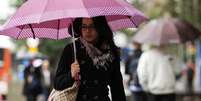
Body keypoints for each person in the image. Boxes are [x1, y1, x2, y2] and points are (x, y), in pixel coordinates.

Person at [54, 16, 126, 101]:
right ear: (79, 28)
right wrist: (71, 75)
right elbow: (57, 83)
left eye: (92, 26)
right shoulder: (71, 50)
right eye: (84, 26)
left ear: (100, 27)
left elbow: (117, 88)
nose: (88, 31)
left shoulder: (110, 52)